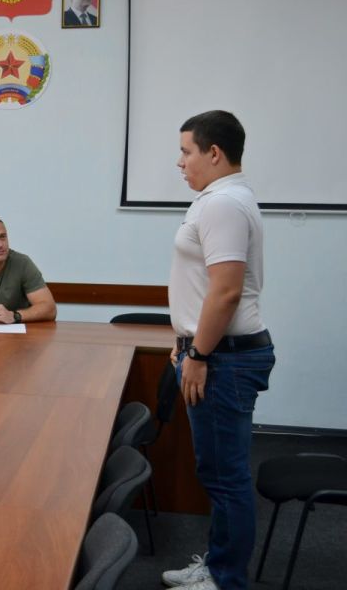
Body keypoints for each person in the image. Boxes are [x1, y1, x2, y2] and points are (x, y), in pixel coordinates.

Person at [163, 110, 275, 590]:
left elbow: (225, 291)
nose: (180, 162)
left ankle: (227, 578)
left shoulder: (222, 204)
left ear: (214, 153)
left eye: (187, 151)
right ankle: (218, 563)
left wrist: (200, 355)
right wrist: (186, 340)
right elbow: (203, 285)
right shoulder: (225, 198)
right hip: (218, 352)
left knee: (225, 477)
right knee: (217, 471)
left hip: (223, 358)